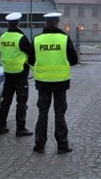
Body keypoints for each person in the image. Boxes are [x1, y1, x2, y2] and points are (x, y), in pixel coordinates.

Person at [29, 12, 78, 154]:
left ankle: (39, 145)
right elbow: (74, 60)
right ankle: (62, 145)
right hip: (60, 82)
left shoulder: (37, 39)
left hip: (43, 82)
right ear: (57, 22)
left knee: (42, 113)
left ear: (46, 23)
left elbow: (31, 60)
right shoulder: (64, 38)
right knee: (59, 113)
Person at [0, 12, 33, 137]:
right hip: (20, 73)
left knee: (6, 100)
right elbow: (30, 51)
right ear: (18, 23)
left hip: (7, 72)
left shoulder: (2, 37)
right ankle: (20, 128)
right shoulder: (21, 38)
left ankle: (2, 126)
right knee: (21, 101)